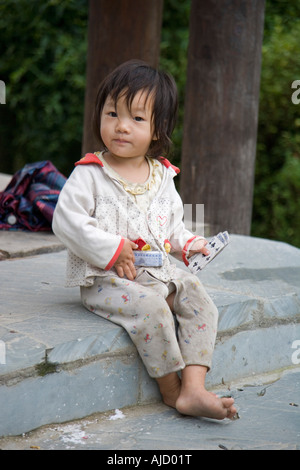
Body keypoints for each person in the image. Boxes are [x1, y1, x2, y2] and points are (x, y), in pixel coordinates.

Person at [52, 60, 236, 420]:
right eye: (112, 113)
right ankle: (172, 391)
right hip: (106, 280)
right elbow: (65, 221)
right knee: (152, 309)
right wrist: (113, 248)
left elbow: (172, 228)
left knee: (198, 296)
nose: (121, 126)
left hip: (156, 271)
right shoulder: (90, 173)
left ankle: (195, 387)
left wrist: (190, 244)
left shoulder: (162, 175)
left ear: (157, 129)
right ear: (99, 115)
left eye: (137, 118)